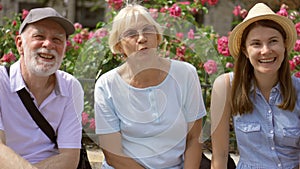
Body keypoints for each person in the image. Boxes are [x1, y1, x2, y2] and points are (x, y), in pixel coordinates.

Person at [94, 3, 207, 169]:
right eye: (131, 34)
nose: (142, 38)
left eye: (147, 30)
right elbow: (113, 155)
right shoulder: (107, 85)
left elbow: (194, 138)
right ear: (119, 46)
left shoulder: (185, 74)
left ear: (157, 37)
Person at [210, 3, 299, 169]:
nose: (265, 51)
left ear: (284, 45)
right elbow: (220, 157)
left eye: (273, 41)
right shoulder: (226, 86)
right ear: (245, 50)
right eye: (256, 44)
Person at [0, 7, 84, 169]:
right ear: (19, 44)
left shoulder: (71, 86)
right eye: (39, 36)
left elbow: (69, 158)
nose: (48, 44)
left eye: (57, 39)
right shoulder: (1, 81)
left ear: (65, 49)